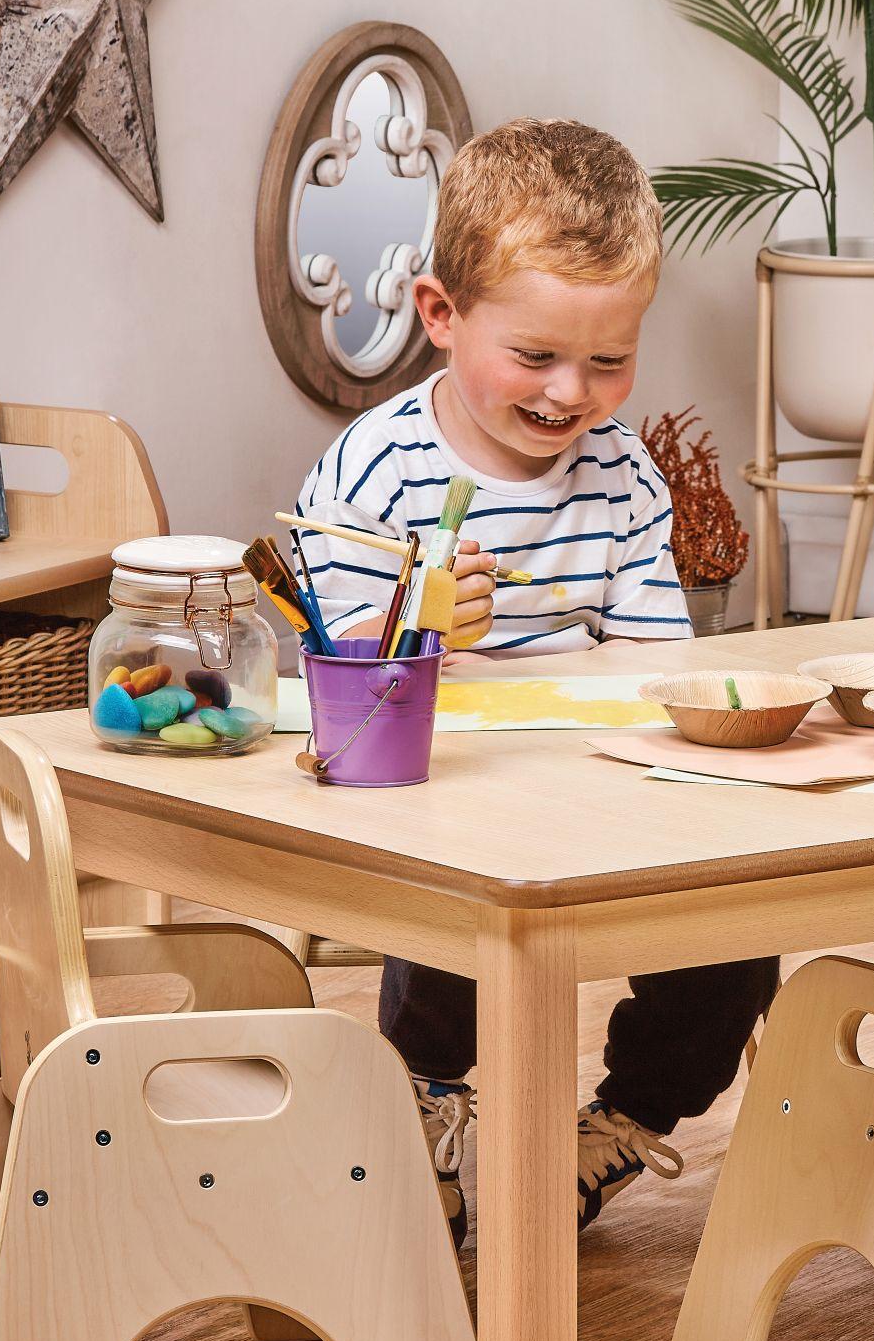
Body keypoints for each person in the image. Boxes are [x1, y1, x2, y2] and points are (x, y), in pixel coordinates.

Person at [292, 117, 777, 1244]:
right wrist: (410, 623)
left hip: (595, 791)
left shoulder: (622, 474)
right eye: (538, 356)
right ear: (440, 315)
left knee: (739, 934)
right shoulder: (379, 465)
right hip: (439, 795)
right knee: (448, 898)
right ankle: (424, 1104)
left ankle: (618, 1122)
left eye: (610, 360)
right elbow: (326, 674)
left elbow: (655, 666)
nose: (573, 393)